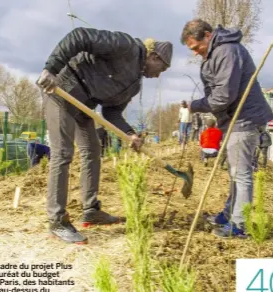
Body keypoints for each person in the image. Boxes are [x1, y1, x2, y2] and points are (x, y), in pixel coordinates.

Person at [36, 27, 173, 244]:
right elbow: (79, 36)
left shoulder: (134, 85)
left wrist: (130, 134)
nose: (157, 75)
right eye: (161, 68)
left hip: (84, 105)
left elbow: (112, 111)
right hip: (61, 90)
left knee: (92, 151)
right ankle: (57, 221)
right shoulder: (125, 45)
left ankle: (91, 210)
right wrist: (51, 69)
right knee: (63, 152)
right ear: (154, 56)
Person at [180, 19, 273, 238]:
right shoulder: (218, 51)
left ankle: (240, 226)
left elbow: (224, 95)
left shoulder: (226, 51)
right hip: (234, 119)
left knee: (241, 174)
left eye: (196, 47)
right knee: (234, 173)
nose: (195, 53)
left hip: (244, 118)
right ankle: (228, 213)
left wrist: (195, 105)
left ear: (207, 35)